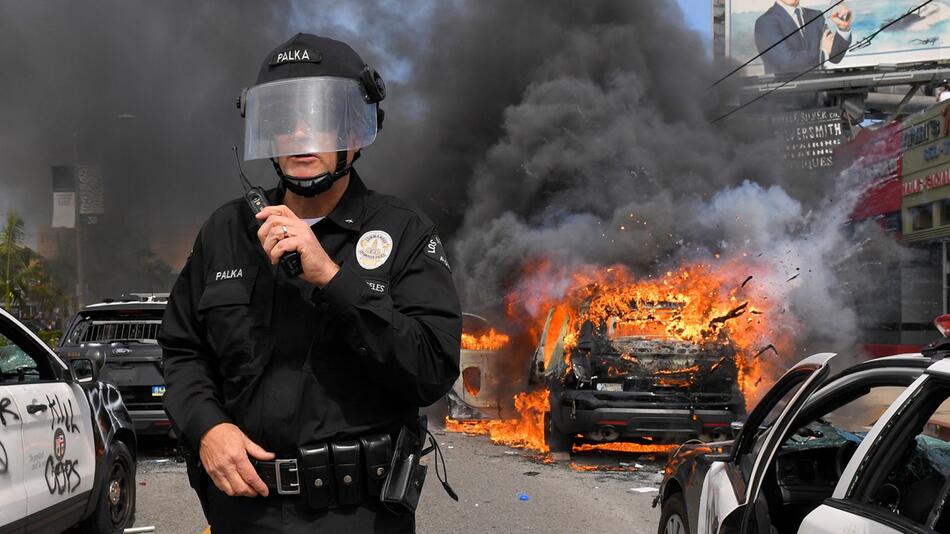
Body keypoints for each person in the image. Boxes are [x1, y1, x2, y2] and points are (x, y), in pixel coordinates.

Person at [158, 33, 462, 533]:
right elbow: (183, 351)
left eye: (321, 118)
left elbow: (432, 368)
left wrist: (332, 279)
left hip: (357, 514)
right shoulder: (226, 232)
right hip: (244, 510)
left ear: (357, 131)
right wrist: (207, 427)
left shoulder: (404, 232)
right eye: (283, 120)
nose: (301, 134)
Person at [754, 0, 854, 75]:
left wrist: (843, 28)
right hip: (785, 98)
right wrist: (822, 53)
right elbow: (787, 62)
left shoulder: (816, 15)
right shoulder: (765, 22)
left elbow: (835, 57)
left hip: (818, 94)